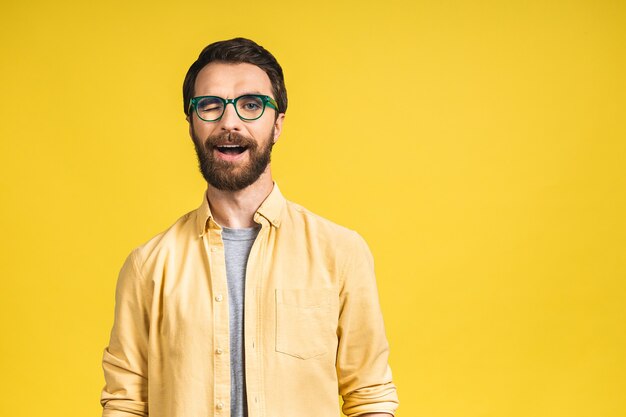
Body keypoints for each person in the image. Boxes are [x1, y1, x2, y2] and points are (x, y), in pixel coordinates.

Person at [100, 37, 399, 417]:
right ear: (191, 124)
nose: (230, 122)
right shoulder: (148, 266)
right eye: (210, 105)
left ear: (277, 125)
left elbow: (369, 395)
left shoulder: (340, 252)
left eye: (251, 105)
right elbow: (125, 402)